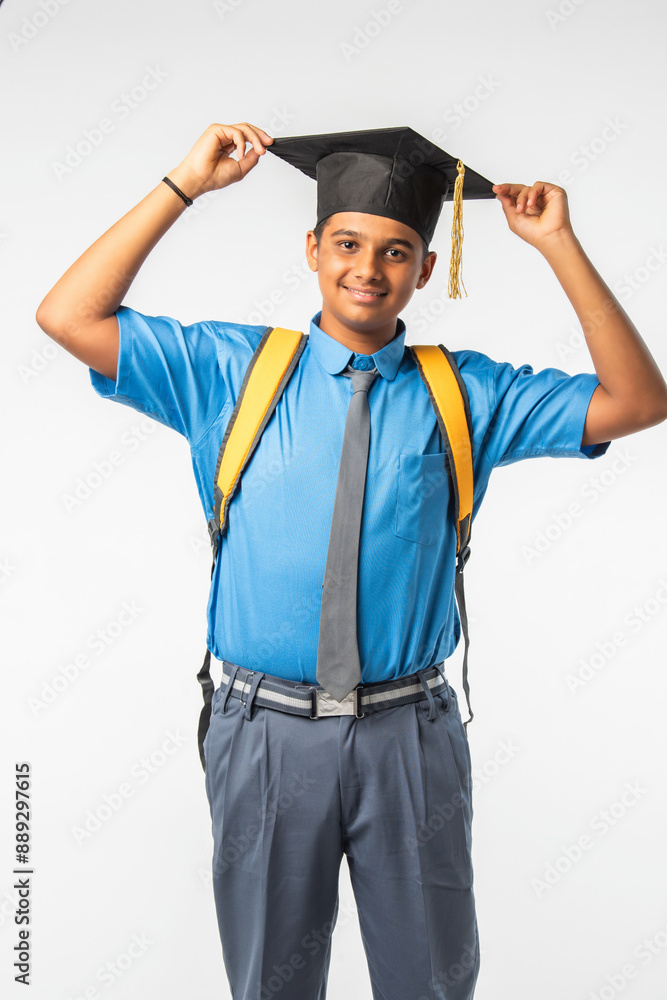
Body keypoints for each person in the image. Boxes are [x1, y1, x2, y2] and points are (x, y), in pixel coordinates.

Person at [35, 121, 667, 1000]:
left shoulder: (466, 392)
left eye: (396, 250)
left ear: (422, 267)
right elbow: (67, 315)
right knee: (269, 980)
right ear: (312, 248)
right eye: (347, 244)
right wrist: (185, 182)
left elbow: (636, 401)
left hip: (407, 739)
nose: (367, 268)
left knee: (430, 982)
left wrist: (557, 246)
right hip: (263, 736)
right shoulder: (232, 372)